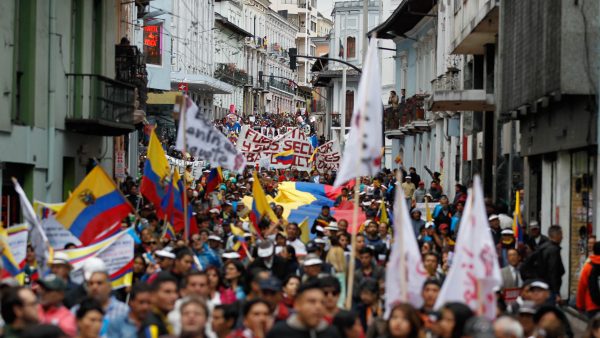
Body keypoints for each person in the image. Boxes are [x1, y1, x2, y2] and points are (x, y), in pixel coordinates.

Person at [71, 257, 129, 336]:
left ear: (109, 287)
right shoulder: (76, 311)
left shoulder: (124, 311)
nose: (94, 287)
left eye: (99, 283)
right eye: (90, 283)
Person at [266, 280, 341, 338]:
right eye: (312, 302)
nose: (318, 307)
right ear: (297, 305)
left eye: (322, 302)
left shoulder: (332, 333)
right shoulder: (279, 332)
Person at [139, 271, 179, 337]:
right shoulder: (152, 326)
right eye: (167, 292)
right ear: (152, 295)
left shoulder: (163, 319)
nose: (174, 297)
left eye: (175, 292)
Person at [537, 225, 565, 303]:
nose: (562, 237)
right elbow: (553, 272)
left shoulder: (544, 247)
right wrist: (556, 293)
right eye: (561, 234)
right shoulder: (553, 250)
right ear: (557, 235)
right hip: (550, 290)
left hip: (543, 287)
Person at [577, 241, 600, 317]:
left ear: (594, 251)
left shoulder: (588, 266)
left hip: (592, 305)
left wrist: (580, 305)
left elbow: (582, 287)